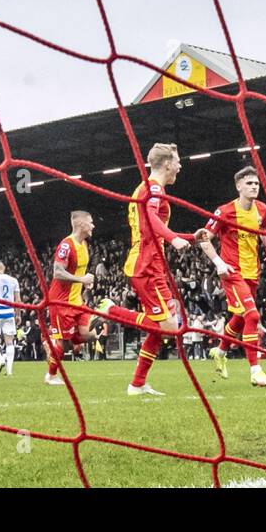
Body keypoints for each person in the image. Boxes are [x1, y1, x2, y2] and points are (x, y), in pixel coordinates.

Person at [96, 143, 193, 397]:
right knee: (170, 328)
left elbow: (152, 228)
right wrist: (173, 238)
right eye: (178, 161)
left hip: (153, 264)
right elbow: (152, 221)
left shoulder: (146, 188)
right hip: (146, 265)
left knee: (161, 328)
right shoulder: (152, 189)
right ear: (168, 163)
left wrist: (191, 237)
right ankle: (111, 310)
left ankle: (137, 384)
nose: (181, 166)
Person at [198, 166, 266, 387]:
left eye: (256, 183)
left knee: (240, 319)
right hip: (232, 273)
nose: (254, 187)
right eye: (249, 183)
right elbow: (204, 239)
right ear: (238, 186)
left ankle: (220, 352)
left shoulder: (262, 210)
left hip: (253, 272)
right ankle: (255, 370)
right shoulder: (224, 211)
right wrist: (219, 263)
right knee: (252, 316)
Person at [45, 211, 97, 386]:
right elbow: (57, 272)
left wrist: (84, 283)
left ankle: (57, 344)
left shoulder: (84, 245)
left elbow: (77, 273)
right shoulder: (66, 245)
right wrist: (82, 279)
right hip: (61, 301)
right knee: (64, 345)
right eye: (90, 222)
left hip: (76, 301)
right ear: (81, 224)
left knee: (89, 334)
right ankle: (51, 376)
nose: (93, 225)